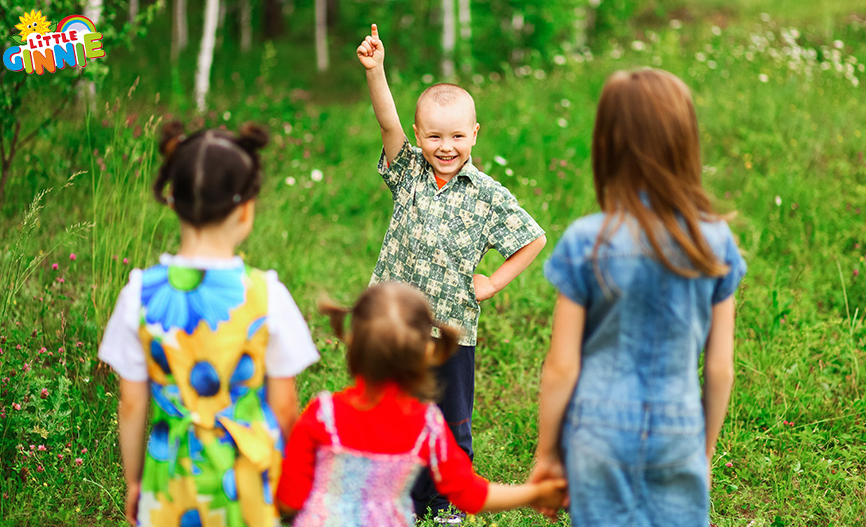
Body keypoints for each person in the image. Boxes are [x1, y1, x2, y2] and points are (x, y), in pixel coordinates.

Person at [531, 69, 747, 526]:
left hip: (598, 429)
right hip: (679, 426)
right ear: (686, 144)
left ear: (605, 146)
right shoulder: (714, 241)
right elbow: (720, 367)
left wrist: (547, 453)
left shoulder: (586, 241)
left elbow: (562, 366)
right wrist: (702, 451)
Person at [356, 24, 547, 521]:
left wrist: (494, 281)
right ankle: (396, 492)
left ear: (474, 134)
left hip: (452, 332)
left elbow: (533, 238)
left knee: (449, 419)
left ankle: (446, 499)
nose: (446, 146)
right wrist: (376, 71)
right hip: (395, 326)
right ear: (419, 136)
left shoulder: (487, 194)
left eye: (457, 136)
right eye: (435, 136)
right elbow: (386, 124)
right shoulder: (409, 173)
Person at [98, 121, 319, 527]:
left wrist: (134, 482)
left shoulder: (138, 294)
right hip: (248, 475)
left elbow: (131, 404)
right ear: (245, 208)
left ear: (172, 201)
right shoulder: (266, 294)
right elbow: (284, 403)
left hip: (171, 477)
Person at [276, 283, 566, 526]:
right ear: (426, 353)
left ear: (353, 344)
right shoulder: (427, 426)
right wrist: (534, 493)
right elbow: (471, 495)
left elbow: (289, 497)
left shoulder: (323, 414)